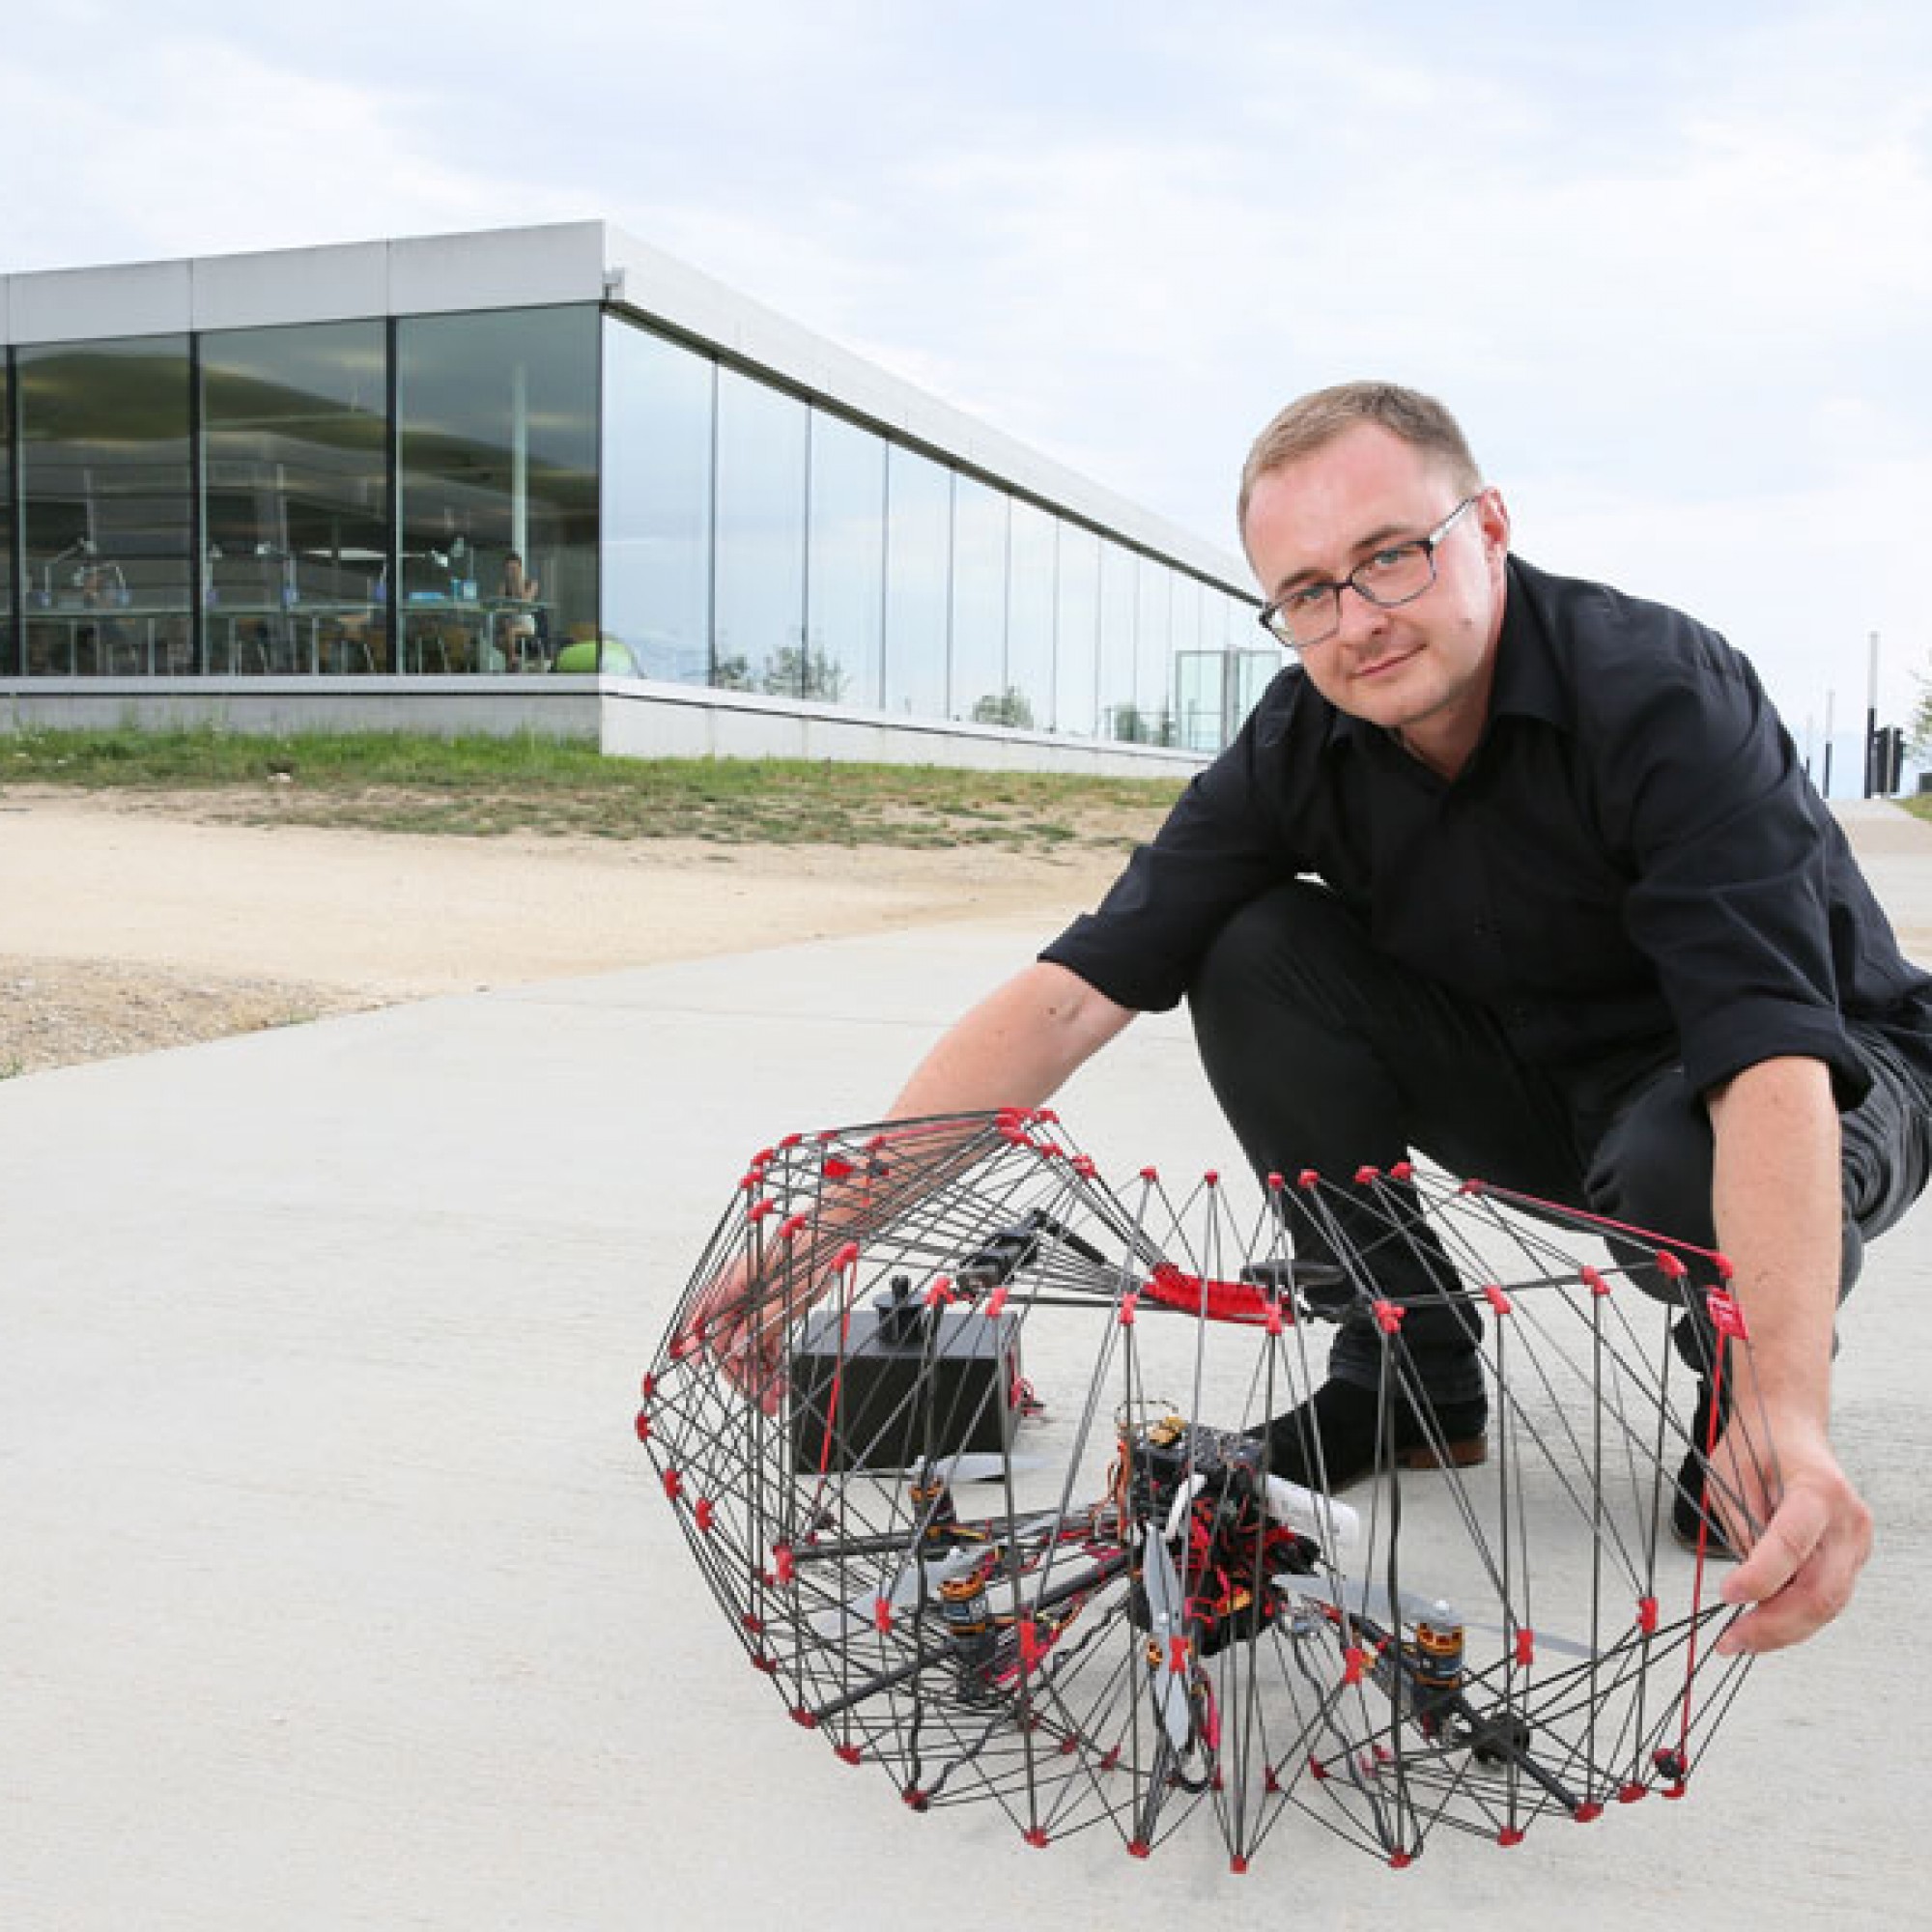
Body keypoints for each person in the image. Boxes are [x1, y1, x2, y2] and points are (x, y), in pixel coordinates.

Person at [699, 381, 1932, 1658]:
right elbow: (1072, 994)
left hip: (1813, 1085)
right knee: (1250, 948)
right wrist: (832, 1224)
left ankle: (1737, 1389)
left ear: (1489, 526)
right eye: (1307, 592)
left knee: (1685, 1150)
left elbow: (1765, 1055)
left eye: (1389, 558)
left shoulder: (1659, 693)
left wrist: (1790, 1402)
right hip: (1545, 1088)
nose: (1357, 620)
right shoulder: (1300, 740)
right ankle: (1407, 1369)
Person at [497, 553, 541, 669]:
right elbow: (501, 605)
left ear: (520, 568)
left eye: (514, 568)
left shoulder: (532, 583)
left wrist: (518, 581)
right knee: (501, 639)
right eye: (508, 569)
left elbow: (525, 600)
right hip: (511, 621)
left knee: (511, 631)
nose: (511, 572)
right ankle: (508, 665)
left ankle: (512, 660)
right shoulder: (503, 585)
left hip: (527, 623)